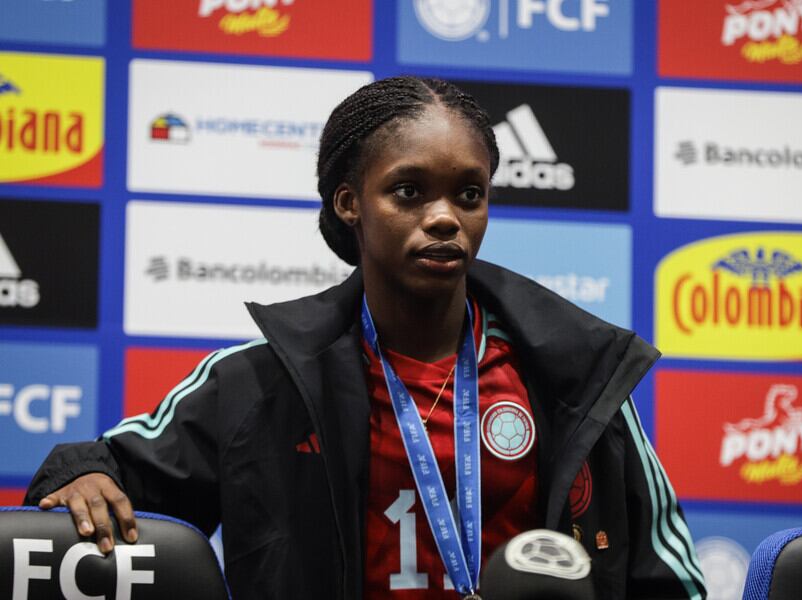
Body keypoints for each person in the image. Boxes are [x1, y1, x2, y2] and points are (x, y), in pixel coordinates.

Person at [25, 76, 706, 599]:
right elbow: (107, 471)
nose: (445, 218)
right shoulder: (261, 380)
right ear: (349, 202)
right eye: (409, 192)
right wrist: (83, 475)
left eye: (469, 195)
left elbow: (669, 579)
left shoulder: (575, 374)